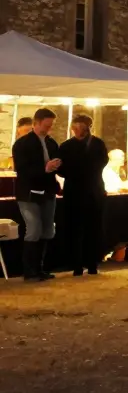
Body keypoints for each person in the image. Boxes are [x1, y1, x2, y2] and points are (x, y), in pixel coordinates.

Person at [57, 115, 108, 276]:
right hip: (77, 191)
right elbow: (60, 168)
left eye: (81, 128)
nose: (77, 132)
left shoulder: (97, 144)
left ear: (87, 128)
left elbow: (100, 164)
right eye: (75, 129)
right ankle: (77, 265)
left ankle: (91, 263)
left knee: (92, 228)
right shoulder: (66, 146)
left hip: (91, 190)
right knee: (75, 228)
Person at [14, 109, 62, 281]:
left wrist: (58, 165)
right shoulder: (22, 144)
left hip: (48, 191)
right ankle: (29, 271)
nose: (49, 128)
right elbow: (22, 170)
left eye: (51, 125)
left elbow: (57, 164)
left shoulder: (51, 143)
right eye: (47, 124)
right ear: (37, 122)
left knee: (48, 229)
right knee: (33, 228)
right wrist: (45, 168)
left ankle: (40, 269)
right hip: (28, 193)